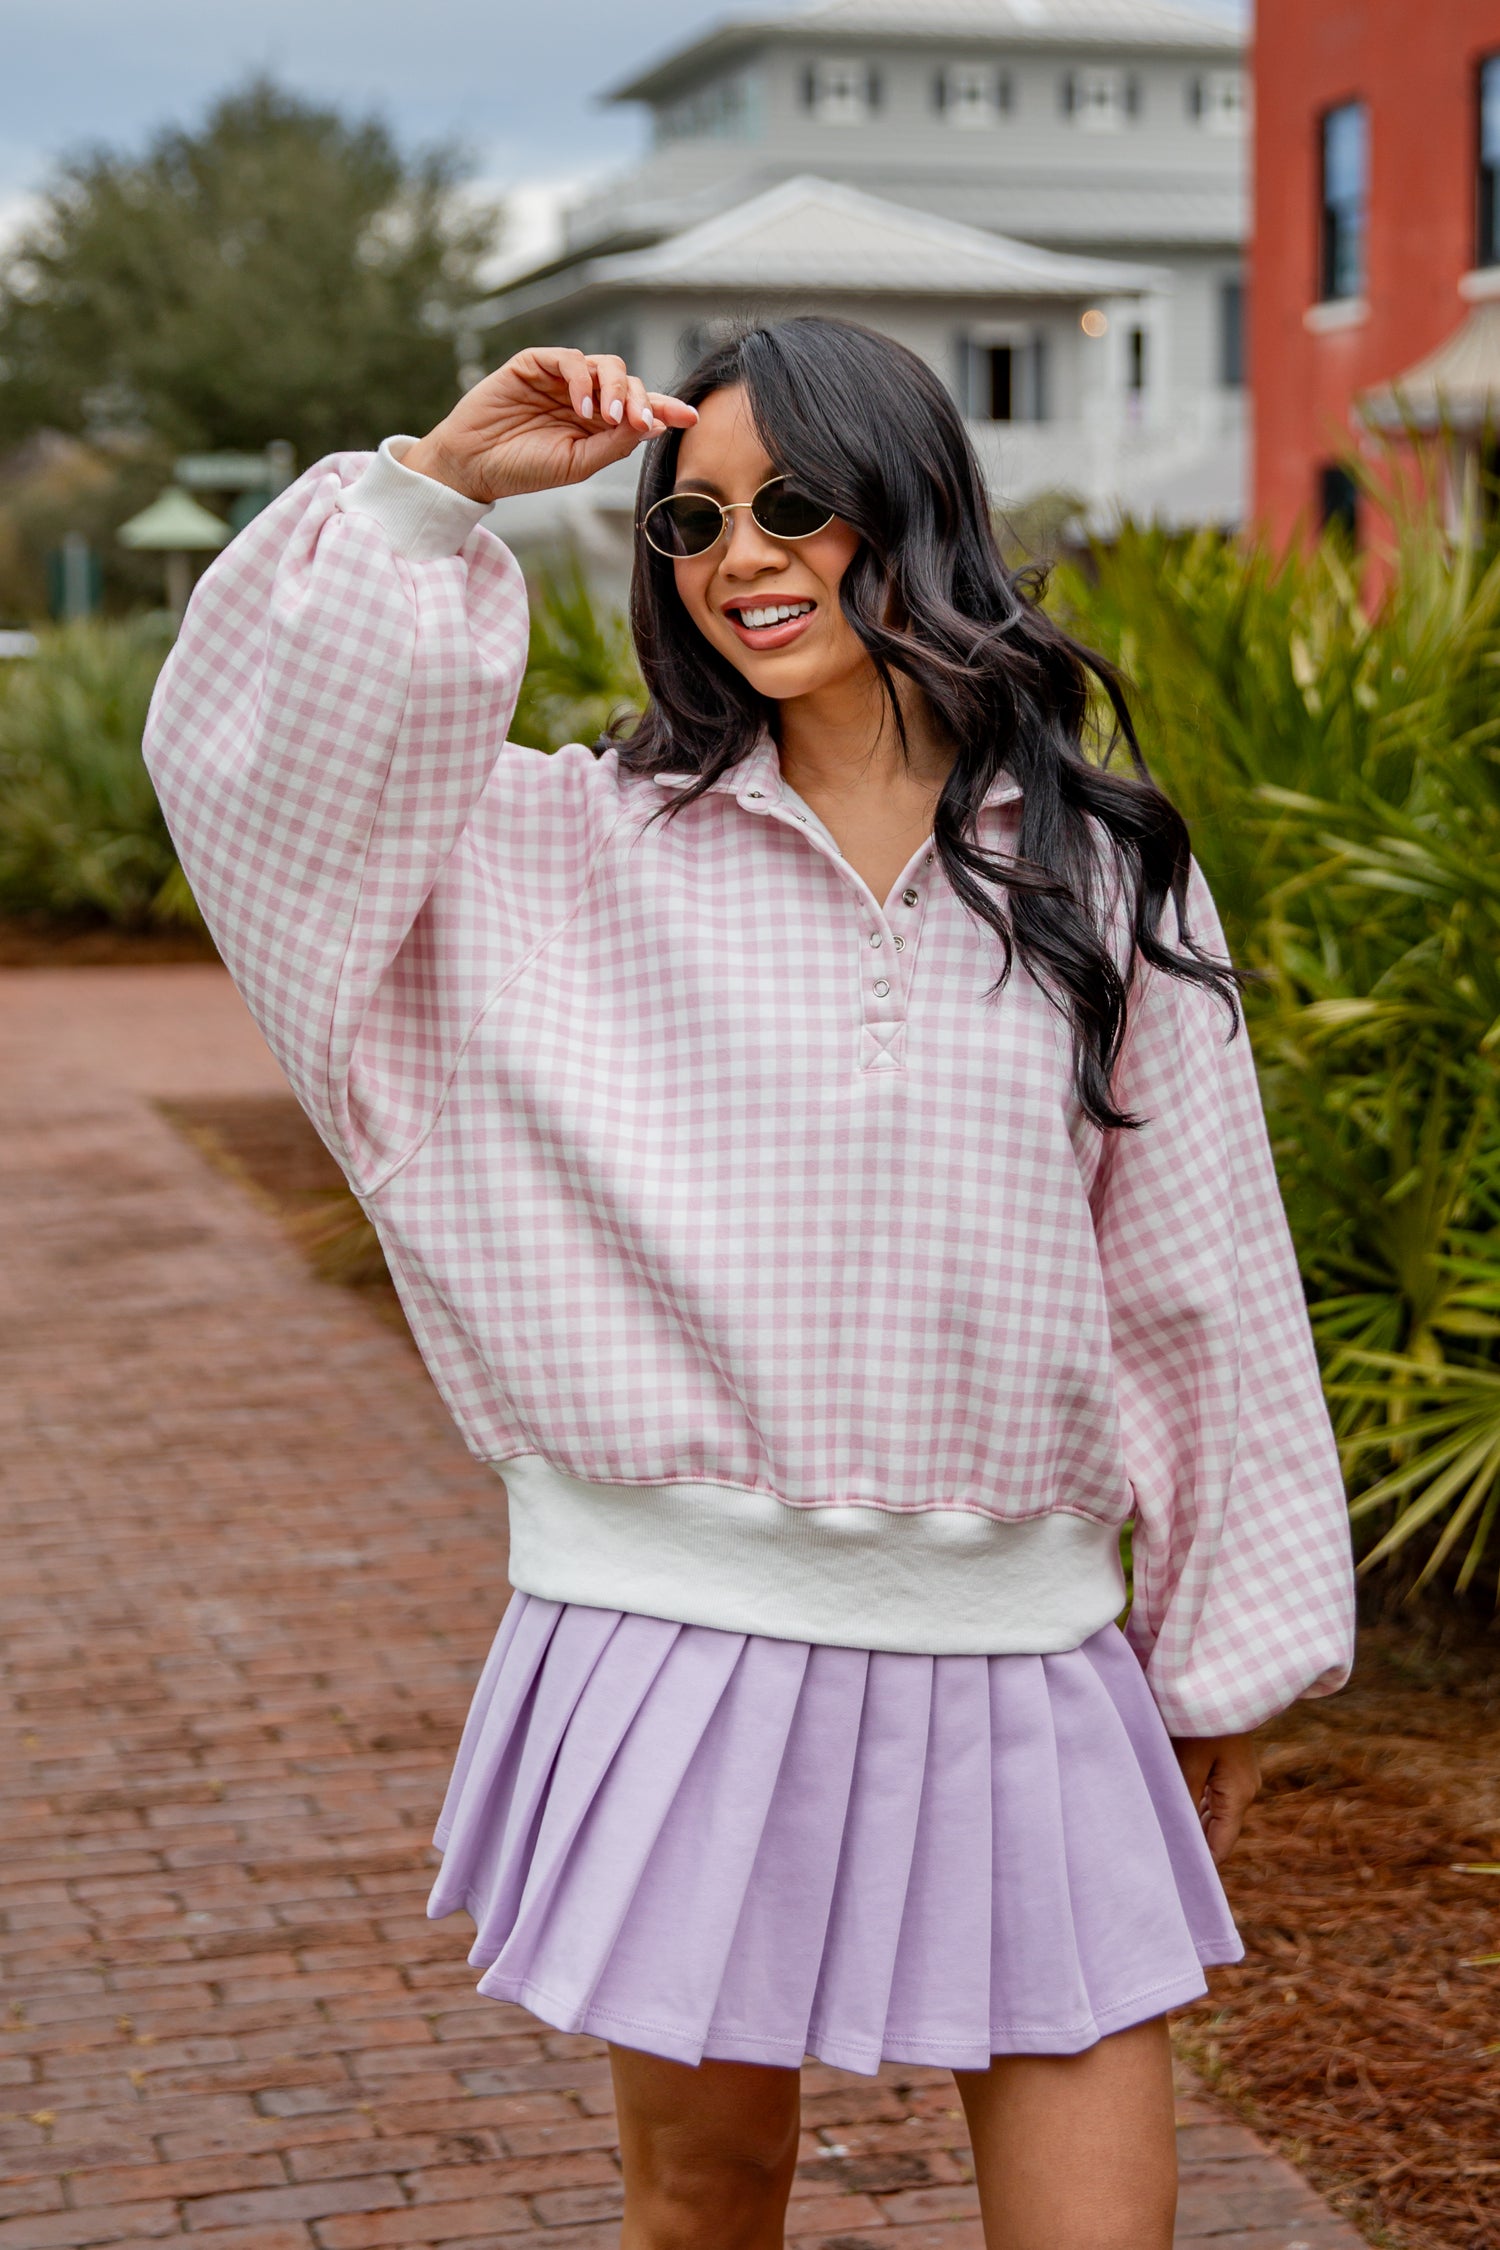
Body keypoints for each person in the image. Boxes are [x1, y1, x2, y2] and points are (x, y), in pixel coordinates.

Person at [144, 317, 1356, 2250]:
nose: (740, 555)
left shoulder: (1104, 874)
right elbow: (263, 808)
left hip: (1022, 1650)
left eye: (797, 503)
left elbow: (1201, 1280)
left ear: (915, 512)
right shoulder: (560, 850)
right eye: (692, 518)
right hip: (670, 1642)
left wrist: (1215, 1670)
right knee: (706, 2208)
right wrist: (433, 491)